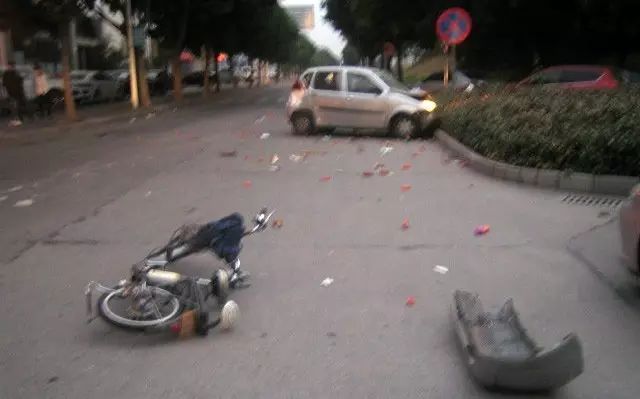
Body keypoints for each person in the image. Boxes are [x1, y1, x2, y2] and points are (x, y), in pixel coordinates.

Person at [2, 61, 26, 126]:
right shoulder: (6, 74)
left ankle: (19, 120)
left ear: (12, 66)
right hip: (10, 93)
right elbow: (4, 84)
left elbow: (20, 82)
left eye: (10, 66)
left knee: (17, 106)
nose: (8, 67)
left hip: (17, 93)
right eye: (8, 66)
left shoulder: (16, 73)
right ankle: (14, 120)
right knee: (12, 106)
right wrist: (5, 92)